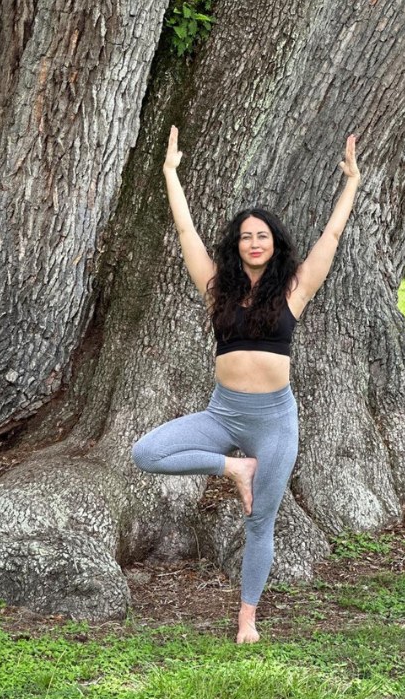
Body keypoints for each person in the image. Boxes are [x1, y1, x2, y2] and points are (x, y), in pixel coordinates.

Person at [131, 125, 361, 644]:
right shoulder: (218, 290)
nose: (254, 242)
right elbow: (187, 233)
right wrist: (170, 173)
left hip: (275, 422)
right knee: (146, 453)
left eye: (263, 235)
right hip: (222, 415)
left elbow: (331, 238)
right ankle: (233, 467)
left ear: (274, 244)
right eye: (245, 236)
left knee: (261, 521)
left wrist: (350, 183)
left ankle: (247, 618)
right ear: (236, 247)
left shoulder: (295, 291)